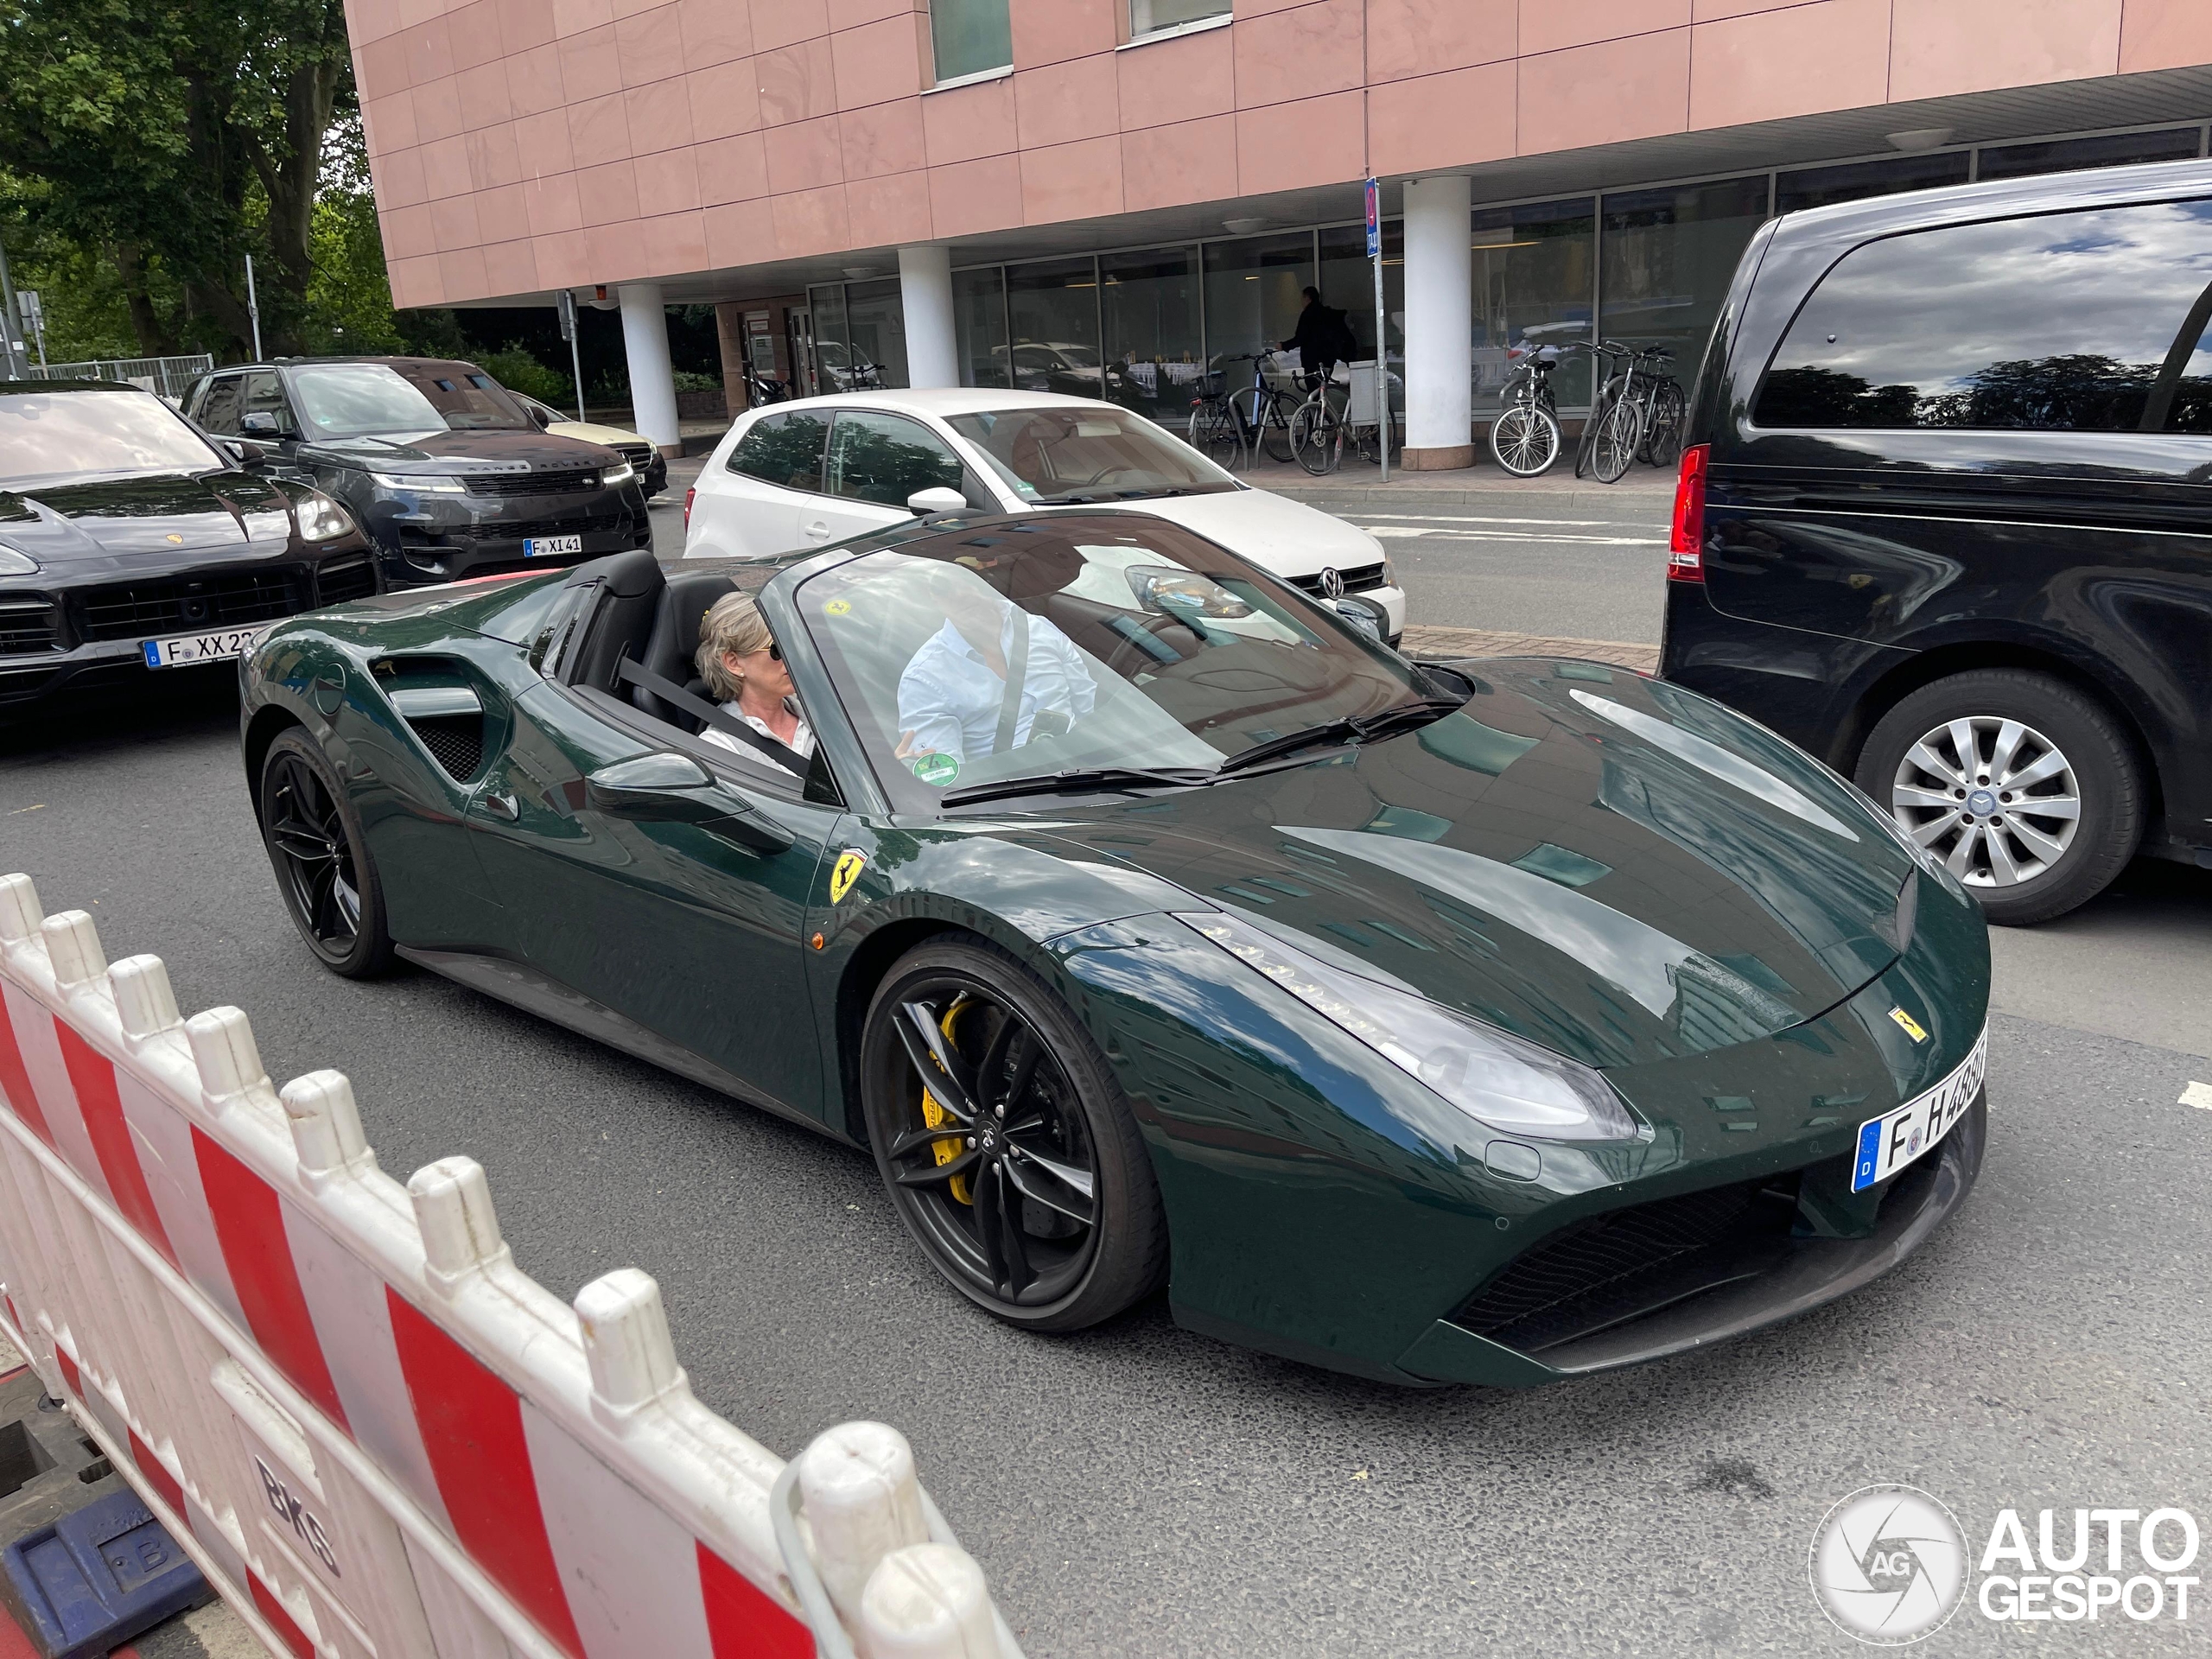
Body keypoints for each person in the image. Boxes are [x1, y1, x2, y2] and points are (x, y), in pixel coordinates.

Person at [896, 563, 1096, 771]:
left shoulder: (1038, 628)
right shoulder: (923, 679)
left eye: (967, 581)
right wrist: (922, 768)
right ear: (934, 600)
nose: (960, 594)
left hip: (1095, 766)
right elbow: (947, 775)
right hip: (1017, 790)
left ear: (986, 582)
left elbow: (1089, 705)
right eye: (943, 588)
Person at [694, 591, 816, 778]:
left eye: (792, 644)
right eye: (777, 649)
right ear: (733, 663)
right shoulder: (720, 748)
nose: (792, 657)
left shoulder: (823, 714)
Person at [1281, 287, 1357, 381]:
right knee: (1322, 385)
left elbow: (1301, 338)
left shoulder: (1308, 315)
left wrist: (1284, 345)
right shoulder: (1328, 314)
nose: (1301, 302)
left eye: (1302, 298)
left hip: (1312, 360)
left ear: (1307, 298)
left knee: (1314, 389)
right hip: (1329, 358)